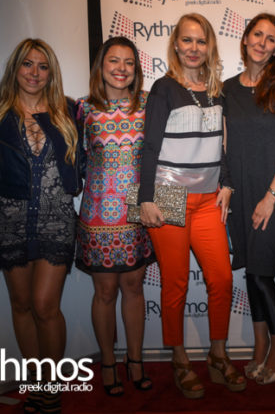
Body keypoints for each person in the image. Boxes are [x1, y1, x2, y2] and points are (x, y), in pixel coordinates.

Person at [139, 13, 246, 399]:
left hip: (207, 199)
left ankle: (218, 354)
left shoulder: (217, 90)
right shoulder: (163, 88)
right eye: (187, 40)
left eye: (201, 41)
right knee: (176, 283)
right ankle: (180, 359)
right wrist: (145, 198)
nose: (194, 48)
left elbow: (221, 143)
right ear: (176, 45)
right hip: (168, 195)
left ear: (210, 46)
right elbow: (150, 145)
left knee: (222, 279)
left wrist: (227, 183)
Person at [0, 38, 82, 413]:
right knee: (21, 305)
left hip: (56, 219)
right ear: (15, 68)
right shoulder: (1, 113)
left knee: (45, 305)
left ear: (51, 73)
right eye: (27, 64)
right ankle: (35, 383)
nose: (34, 73)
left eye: (43, 66)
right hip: (10, 219)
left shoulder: (68, 111)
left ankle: (52, 385)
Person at [223, 13, 275, 385]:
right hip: (240, 191)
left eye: (271, 39)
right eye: (257, 34)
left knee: (261, 271)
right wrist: (226, 187)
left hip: (274, 190)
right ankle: (259, 346)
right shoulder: (227, 89)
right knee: (252, 271)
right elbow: (224, 146)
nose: (262, 42)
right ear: (245, 38)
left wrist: (271, 196)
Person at [75, 36, 154, 396]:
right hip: (97, 215)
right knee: (105, 292)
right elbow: (75, 161)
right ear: (101, 66)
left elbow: (162, 160)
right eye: (114, 61)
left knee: (134, 288)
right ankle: (108, 362)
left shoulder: (149, 105)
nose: (121, 69)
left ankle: (135, 361)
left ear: (136, 69)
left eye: (129, 62)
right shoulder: (82, 108)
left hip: (139, 212)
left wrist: (166, 209)